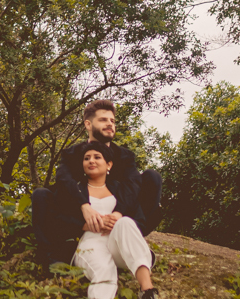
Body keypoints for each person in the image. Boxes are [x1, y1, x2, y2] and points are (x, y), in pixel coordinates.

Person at [31, 99, 162, 268]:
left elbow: (133, 185)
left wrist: (118, 214)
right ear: (88, 124)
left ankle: (131, 242)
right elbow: (63, 181)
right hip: (80, 220)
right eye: (103, 120)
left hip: (121, 220)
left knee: (152, 178)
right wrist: (84, 206)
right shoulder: (72, 154)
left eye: (112, 121)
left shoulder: (125, 156)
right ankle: (53, 257)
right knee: (41, 195)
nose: (110, 124)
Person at [71, 140, 162, 299]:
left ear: (109, 164)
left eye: (97, 157)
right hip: (91, 243)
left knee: (126, 222)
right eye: (87, 158)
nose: (91, 161)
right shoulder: (76, 190)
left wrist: (117, 217)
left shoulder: (121, 189)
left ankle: (147, 292)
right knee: (103, 270)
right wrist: (85, 224)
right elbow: (60, 219)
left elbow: (138, 219)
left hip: (117, 243)